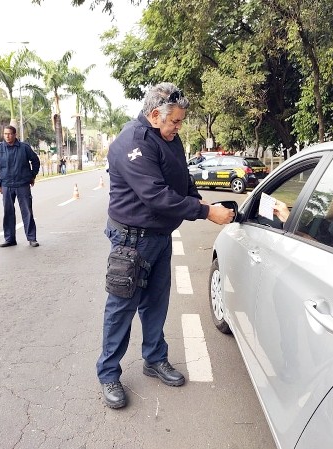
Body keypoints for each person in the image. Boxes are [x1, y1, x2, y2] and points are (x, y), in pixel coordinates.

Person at [96, 82, 235, 409]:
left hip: (158, 237)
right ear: (155, 114)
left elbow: (181, 176)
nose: (179, 127)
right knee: (122, 307)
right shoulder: (133, 143)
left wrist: (197, 198)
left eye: (181, 121)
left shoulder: (169, 136)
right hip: (130, 239)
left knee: (156, 302)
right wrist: (204, 212)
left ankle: (154, 359)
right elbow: (156, 196)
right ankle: (108, 372)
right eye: (175, 121)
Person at [0, 125, 41, 248]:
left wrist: (32, 175)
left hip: (22, 184)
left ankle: (31, 238)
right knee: (8, 212)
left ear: (15, 135)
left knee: (27, 212)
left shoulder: (24, 148)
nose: (7, 136)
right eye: (5, 134)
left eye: (10, 134)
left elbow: (35, 161)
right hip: (6, 185)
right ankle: (10, 239)